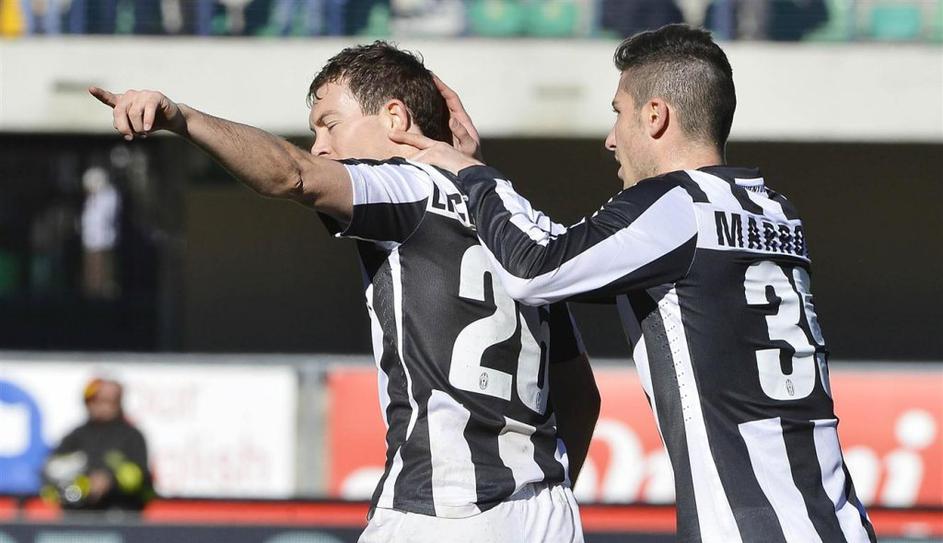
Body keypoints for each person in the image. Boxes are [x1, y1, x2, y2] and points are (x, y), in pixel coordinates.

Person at [88, 41, 598, 542]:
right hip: (548, 514)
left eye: (330, 124)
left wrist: (182, 119)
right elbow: (580, 396)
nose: (320, 147)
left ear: (395, 118)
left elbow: (294, 176)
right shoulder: (518, 219)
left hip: (444, 508)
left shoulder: (409, 186)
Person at [393, 24, 876, 543]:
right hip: (841, 522)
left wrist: (472, 175)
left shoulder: (676, 206)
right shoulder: (774, 210)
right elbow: (577, 259)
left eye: (618, 112)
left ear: (655, 116)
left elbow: (535, 269)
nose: (610, 137)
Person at [42, 378, 153, 511]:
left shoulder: (132, 437)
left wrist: (110, 481)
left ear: (118, 402)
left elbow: (140, 478)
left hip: (121, 512)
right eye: (94, 400)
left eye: (107, 401)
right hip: (80, 514)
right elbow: (51, 475)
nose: (100, 405)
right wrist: (85, 483)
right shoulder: (75, 437)